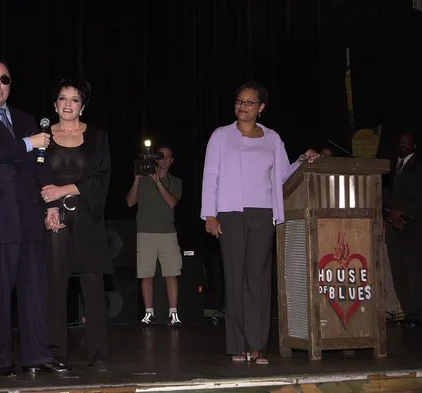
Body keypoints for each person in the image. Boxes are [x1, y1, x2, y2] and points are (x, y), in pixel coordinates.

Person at [0, 60, 70, 377]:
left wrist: (50, 205)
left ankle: (36, 355)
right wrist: (27, 142)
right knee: (0, 293)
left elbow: (40, 164)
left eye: (4, 79)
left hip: (30, 216)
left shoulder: (24, 119)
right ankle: (3, 359)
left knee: (35, 292)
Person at [201, 81, 319, 365]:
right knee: (235, 277)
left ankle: (257, 346)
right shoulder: (221, 136)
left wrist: (303, 160)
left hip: (263, 213)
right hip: (229, 212)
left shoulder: (272, 139)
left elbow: (282, 177)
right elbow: (210, 176)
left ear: (261, 108)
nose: (242, 106)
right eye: (239, 101)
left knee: (258, 279)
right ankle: (238, 345)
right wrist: (210, 214)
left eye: (249, 102)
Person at [40, 76, 111, 372]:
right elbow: (37, 178)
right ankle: (57, 354)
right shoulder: (42, 137)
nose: (68, 104)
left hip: (88, 218)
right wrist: (50, 208)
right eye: (63, 98)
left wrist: (65, 189)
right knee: (55, 287)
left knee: (92, 287)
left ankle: (99, 355)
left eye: (75, 99)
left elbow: (102, 178)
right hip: (54, 219)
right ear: (55, 103)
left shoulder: (97, 137)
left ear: (83, 106)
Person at [126, 146, 183, 326]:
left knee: (171, 273)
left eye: (168, 157)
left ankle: (173, 314)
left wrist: (158, 182)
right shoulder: (143, 180)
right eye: (161, 157)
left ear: (172, 161)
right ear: (156, 160)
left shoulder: (175, 181)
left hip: (167, 232)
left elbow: (172, 202)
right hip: (145, 232)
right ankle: (149, 313)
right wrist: (136, 181)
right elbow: (129, 202)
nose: (164, 160)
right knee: (146, 274)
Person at [383, 131, 422, 327]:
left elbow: (421, 196)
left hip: (414, 227)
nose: (403, 143)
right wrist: (388, 214)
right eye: (400, 140)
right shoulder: (391, 167)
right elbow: (384, 193)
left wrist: (400, 213)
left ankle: (419, 316)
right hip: (394, 228)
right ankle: (409, 313)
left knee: (415, 272)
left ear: (414, 146)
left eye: (407, 141)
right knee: (399, 273)